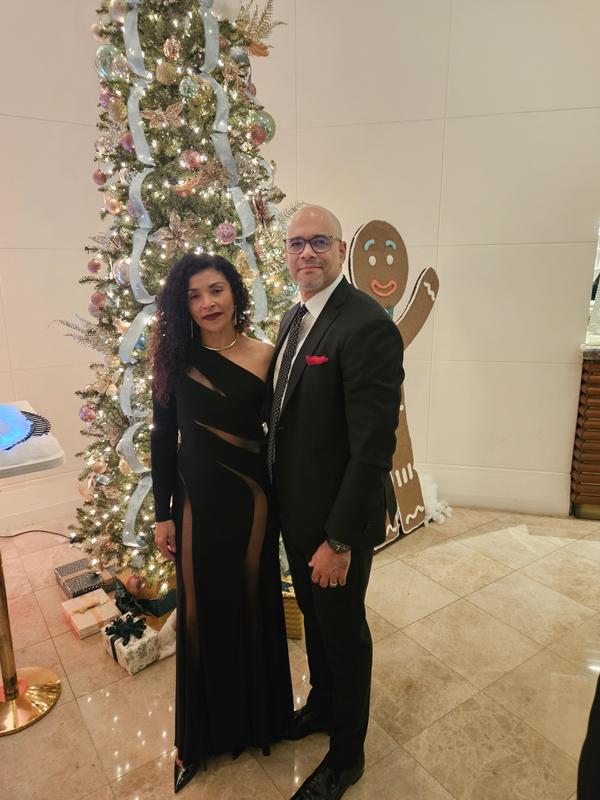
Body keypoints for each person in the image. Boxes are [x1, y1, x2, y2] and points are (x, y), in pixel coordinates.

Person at [267, 205, 404, 800]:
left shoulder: (366, 324)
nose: (307, 253)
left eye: (319, 242)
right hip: (298, 516)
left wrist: (340, 540)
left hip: (335, 525)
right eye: (296, 243)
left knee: (344, 636)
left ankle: (347, 756)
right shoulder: (295, 317)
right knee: (318, 628)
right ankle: (323, 707)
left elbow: (374, 448)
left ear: (342, 250)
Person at [151, 253, 293, 793]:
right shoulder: (174, 361)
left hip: (253, 502)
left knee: (253, 601)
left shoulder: (267, 356)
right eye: (194, 295)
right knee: (198, 614)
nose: (207, 303)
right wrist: (163, 513)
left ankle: (262, 720)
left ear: (234, 292)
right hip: (195, 503)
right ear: (182, 305)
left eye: (216, 290)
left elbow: (285, 435)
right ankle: (196, 740)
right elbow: (162, 441)